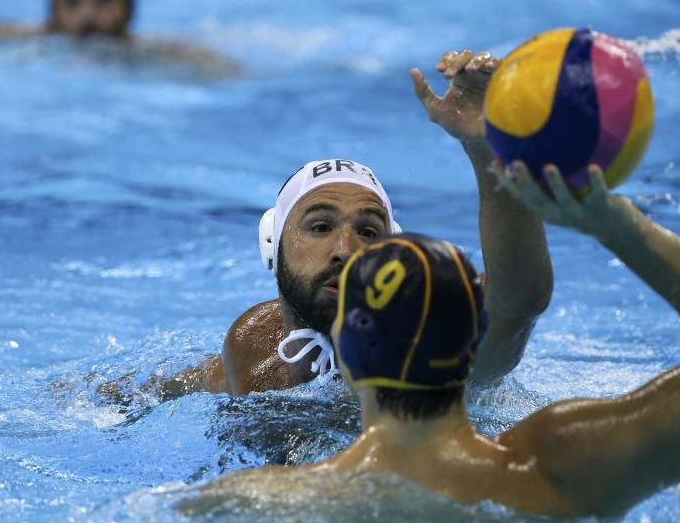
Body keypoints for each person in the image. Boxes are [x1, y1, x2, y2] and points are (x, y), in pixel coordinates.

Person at [200, 164, 680, 518]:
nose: (344, 250)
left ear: (344, 354)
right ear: (477, 333)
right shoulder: (561, 462)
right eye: (321, 226)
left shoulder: (262, 500)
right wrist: (622, 226)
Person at [157, 50, 554, 397]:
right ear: (271, 244)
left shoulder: (428, 350)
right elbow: (169, 387)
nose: (345, 251)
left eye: (368, 232)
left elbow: (518, 299)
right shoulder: (253, 344)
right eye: (319, 227)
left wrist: (485, 146)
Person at [44, 0, 238, 74]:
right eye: (72, 0)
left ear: (126, 7)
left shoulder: (145, 50)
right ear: (54, 10)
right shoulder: (38, 41)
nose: (87, 13)